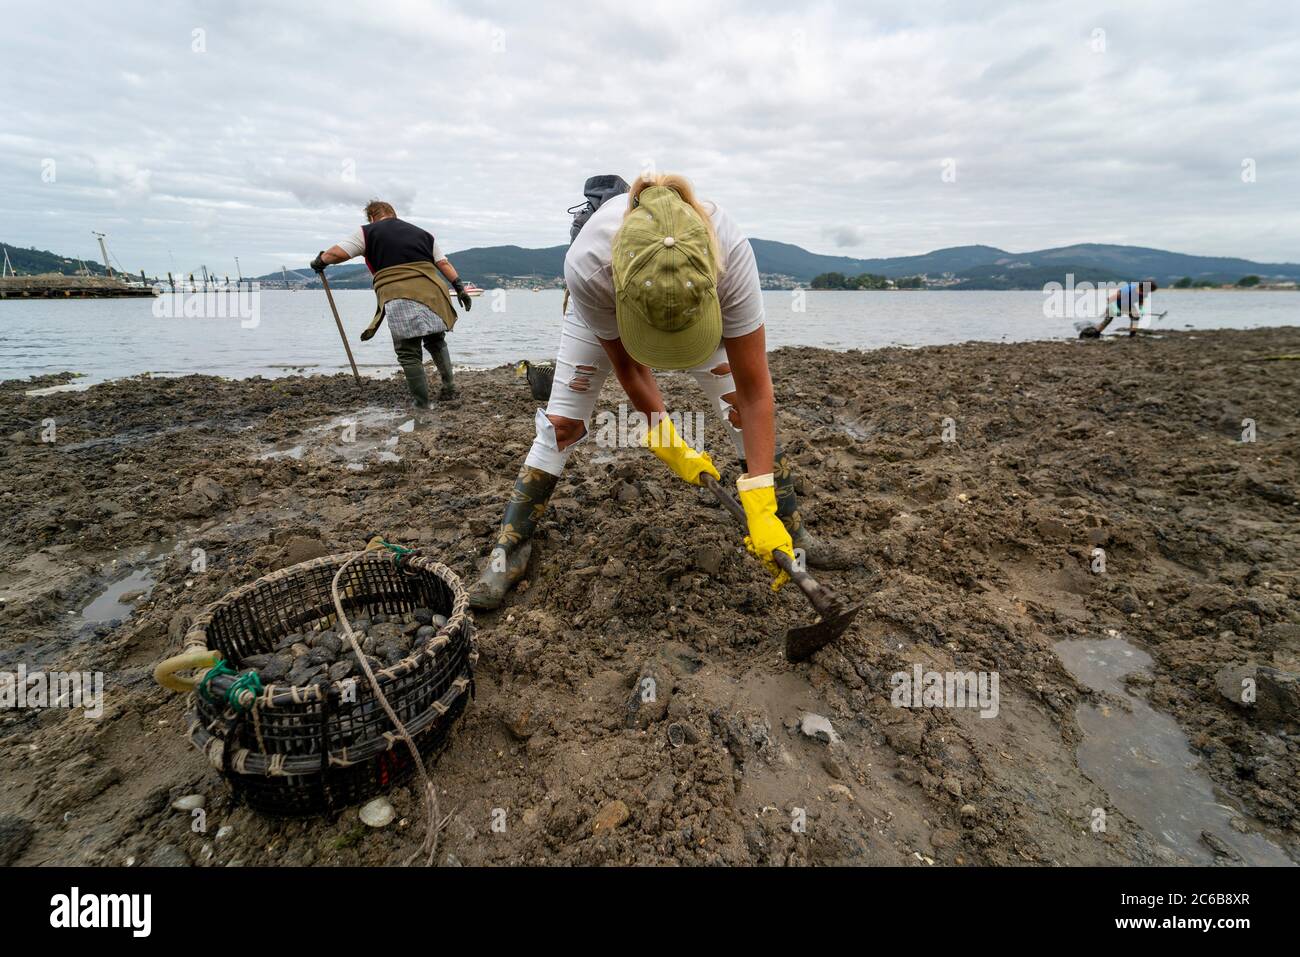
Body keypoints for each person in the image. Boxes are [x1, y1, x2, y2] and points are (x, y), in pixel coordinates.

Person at [469, 172, 845, 611]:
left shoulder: (730, 253)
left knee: (737, 409)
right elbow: (629, 366)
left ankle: (791, 530)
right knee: (562, 424)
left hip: (697, 314)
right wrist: (666, 434)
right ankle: (509, 551)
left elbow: (756, 390)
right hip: (610, 307)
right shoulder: (589, 265)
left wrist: (758, 500)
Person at [311, 200, 474, 405]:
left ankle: (422, 404)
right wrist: (460, 288)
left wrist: (321, 260)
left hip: (399, 294)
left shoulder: (368, 232)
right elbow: (443, 263)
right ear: (393, 214)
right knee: (436, 340)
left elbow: (336, 254)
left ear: (372, 217)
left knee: (408, 351)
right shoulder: (424, 234)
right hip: (434, 293)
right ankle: (449, 389)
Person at [1080, 279, 1158, 338]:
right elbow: (1110, 299)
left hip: (1129, 306)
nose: (1149, 293)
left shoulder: (1144, 293)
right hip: (1115, 304)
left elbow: (1141, 300)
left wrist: (1141, 309)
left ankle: (1132, 336)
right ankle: (1096, 334)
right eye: (1150, 290)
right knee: (1107, 320)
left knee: (1136, 317)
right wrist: (1115, 308)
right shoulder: (1129, 289)